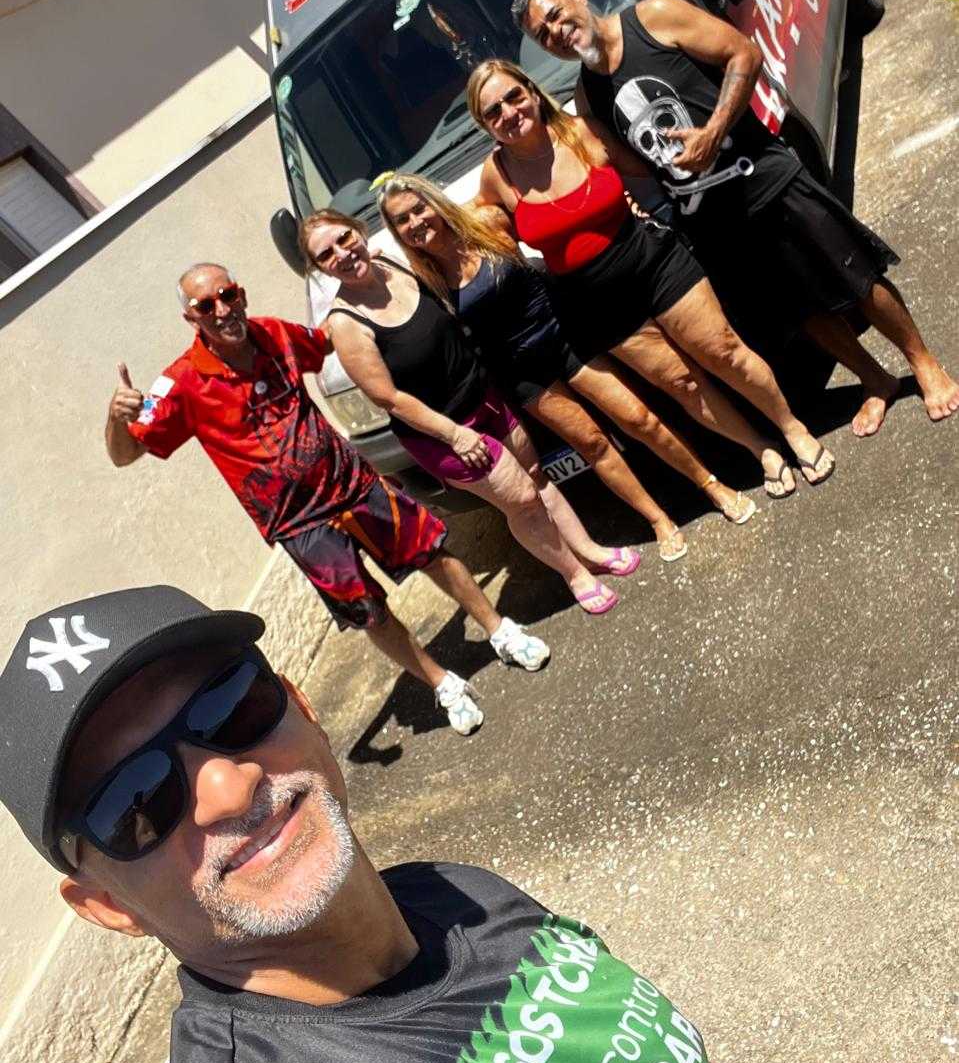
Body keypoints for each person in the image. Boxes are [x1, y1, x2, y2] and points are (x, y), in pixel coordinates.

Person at [0, 583, 761, 1063]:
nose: (228, 787)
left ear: (301, 706)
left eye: (229, 705)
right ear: (108, 907)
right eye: (133, 801)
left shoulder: (451, 893)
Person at [103, 262, 551, 736]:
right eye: (205, 305)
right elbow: (125, 455)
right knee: (368, 611)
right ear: (191, 318)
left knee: (432, 553)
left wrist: (378, 305)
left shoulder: (276, 334)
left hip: (353, 483)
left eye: (228, 295)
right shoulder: (181, 383)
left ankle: (500, 630)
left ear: (242, 294)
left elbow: (330, 342)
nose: (222, 310)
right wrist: (116, 418)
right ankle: (443, 684)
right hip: (299, 524)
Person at [511, 0, 959, 437]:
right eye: (543, 35)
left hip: (763, 176)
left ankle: (923, 364)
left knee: (854, 274)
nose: (556, 32)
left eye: (555, 15)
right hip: (711, 221)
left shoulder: (654, 17)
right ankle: (874, 379)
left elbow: (743, 54)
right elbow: (634, 167)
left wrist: (713, 132)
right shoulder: (588, 97)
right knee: (799, 307)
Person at [467, 58, 835, 497]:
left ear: (531, 91)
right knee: (683, 384)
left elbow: (650, 167)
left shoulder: (582, 131)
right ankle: (760, 448)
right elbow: (472, 221)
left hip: (653, 261)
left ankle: (792, 427)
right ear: (484, 124)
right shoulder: (497, 174)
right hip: (596, 301)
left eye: (513, 97)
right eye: (493, 111)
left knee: (724, 351)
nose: (509, 113)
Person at [377, 170, 761, 562]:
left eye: (418, 209)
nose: (415, 222)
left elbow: (551, 228)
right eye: (401, 220)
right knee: (593, 444)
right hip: (524, 373)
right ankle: (658, 519)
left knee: (639, 418)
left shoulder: (487, 223)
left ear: (434, 203)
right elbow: (382, 294)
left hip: (565, 336)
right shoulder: (423, 280)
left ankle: (710, 485)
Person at [301, 210, 632, 615]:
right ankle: (575, 575)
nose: (342, 253)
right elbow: (389, 399)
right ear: (319, 268)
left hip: (484, 398)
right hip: (442, 433)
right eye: (326, 254)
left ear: (359, 231)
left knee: (536, 477)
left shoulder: (394, 264)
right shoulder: (346, 324)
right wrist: (455, 435)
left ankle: (591, 552)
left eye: (344, 238)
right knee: (522, 500)